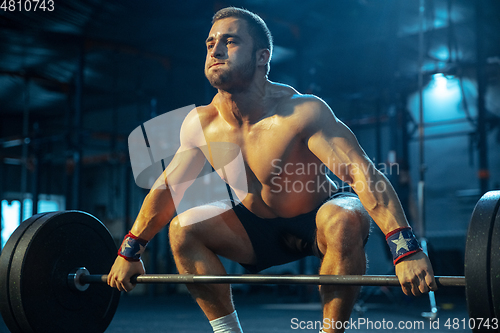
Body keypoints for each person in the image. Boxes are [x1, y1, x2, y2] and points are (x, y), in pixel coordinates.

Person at [107, 7, 437, 333]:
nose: (216, 50)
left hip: (316, 220)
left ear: (262, 57)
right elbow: (169, 187)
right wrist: (130, 249)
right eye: (210, 44)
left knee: (344, 218)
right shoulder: (201, 124)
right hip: (253, 231)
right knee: (183, 228)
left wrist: (405, 249)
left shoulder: (301, 111)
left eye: (231, 41)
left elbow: (360, 172)